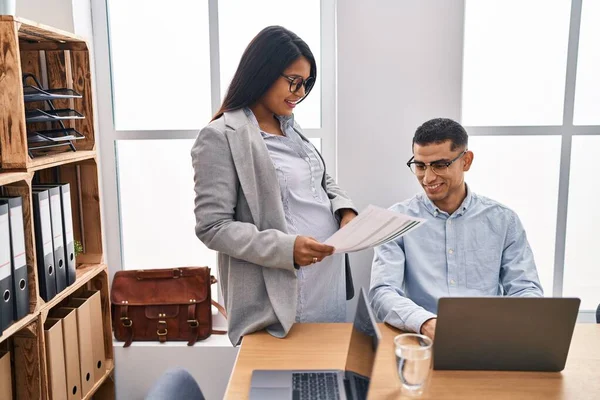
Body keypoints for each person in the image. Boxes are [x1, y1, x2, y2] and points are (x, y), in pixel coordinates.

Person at [192, 26, 357, 346]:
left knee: (324, 386)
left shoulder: (291, 129)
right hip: (281, 297)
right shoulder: (219, 137)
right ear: (262, 71)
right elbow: (212, 227)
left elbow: (320, 180)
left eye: (306, 83)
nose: (300, 92)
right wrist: (287, 249)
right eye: (293, 81)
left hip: (327, 285)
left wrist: (345, 209)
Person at [369, 118, 543, 340]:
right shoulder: (395, 220)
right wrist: (426, 323)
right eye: (420, 166)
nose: (428, 178)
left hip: (489, 338)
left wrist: (506, 325)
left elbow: (526, 289)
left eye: (440, 165)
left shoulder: (503, 220)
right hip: (421, 338)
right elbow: (383, 292)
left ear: (466, 161)